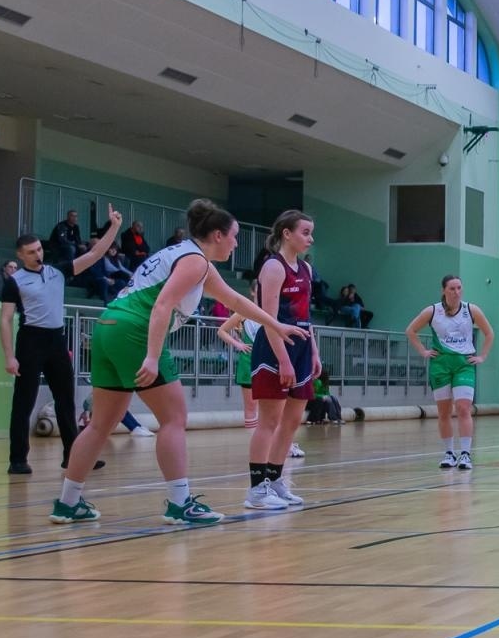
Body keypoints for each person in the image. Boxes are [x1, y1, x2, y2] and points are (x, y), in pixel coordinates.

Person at [48, 199, 307, 526]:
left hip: (107, 326)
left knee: (101, 424)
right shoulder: (194, 261)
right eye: (234, 236)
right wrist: (153, 356)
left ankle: (68, 502)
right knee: (173, 418)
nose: (236, 243)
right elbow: (162, 306)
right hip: (134, 330)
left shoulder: (190, 259)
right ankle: (180, 503)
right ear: (216, 235)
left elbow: (237, 300)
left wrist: (275, 324)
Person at [0, 205, 124, 475]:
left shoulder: (57, 272)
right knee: (24, 402)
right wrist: (9, 356)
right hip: (31, 340)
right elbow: (5, 320)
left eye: (39, 249)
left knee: (66, 400)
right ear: (20, 256)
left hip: (57, 339)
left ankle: (74, 456)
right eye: (31, 252)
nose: (38, 254)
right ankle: (17, 459)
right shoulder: (14, 281)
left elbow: (93, 254)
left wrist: (113, 226)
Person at [243, 211, 321, 510]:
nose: (310, 238)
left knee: (291, 422)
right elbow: (269, 319)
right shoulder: (273, 267)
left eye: (311, 232)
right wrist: (283, 360)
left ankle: (276, 481)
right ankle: (255, 490)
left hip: (301, 345)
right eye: (305, 232)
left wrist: (313, 352)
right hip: (275, 346)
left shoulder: (306, 269)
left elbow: (306, 316)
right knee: (270, 421)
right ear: (287, 234)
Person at [405, 276, 495, 470]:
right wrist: (423, 351)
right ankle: (448, 453)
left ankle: (465, 454)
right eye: (452, 288)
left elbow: (489, 333)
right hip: (441, 365)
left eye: (459, 288)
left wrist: (482, 356)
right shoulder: (432, 311)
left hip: (464, 364)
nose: (456, 292)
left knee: (463, 408)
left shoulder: (471, 310)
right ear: (443, 291)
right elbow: (411, 331)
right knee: (444, 412)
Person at [218, 283, 262, 432]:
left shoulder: (274, 310)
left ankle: (276, 444)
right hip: (248, 363)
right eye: (259, 288)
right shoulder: (244, 311)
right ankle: (255, 443)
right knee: (251, 405)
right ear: (252, 291)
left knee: (272, 406)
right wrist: (238, 344)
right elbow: (222, 331)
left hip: (269, 363)